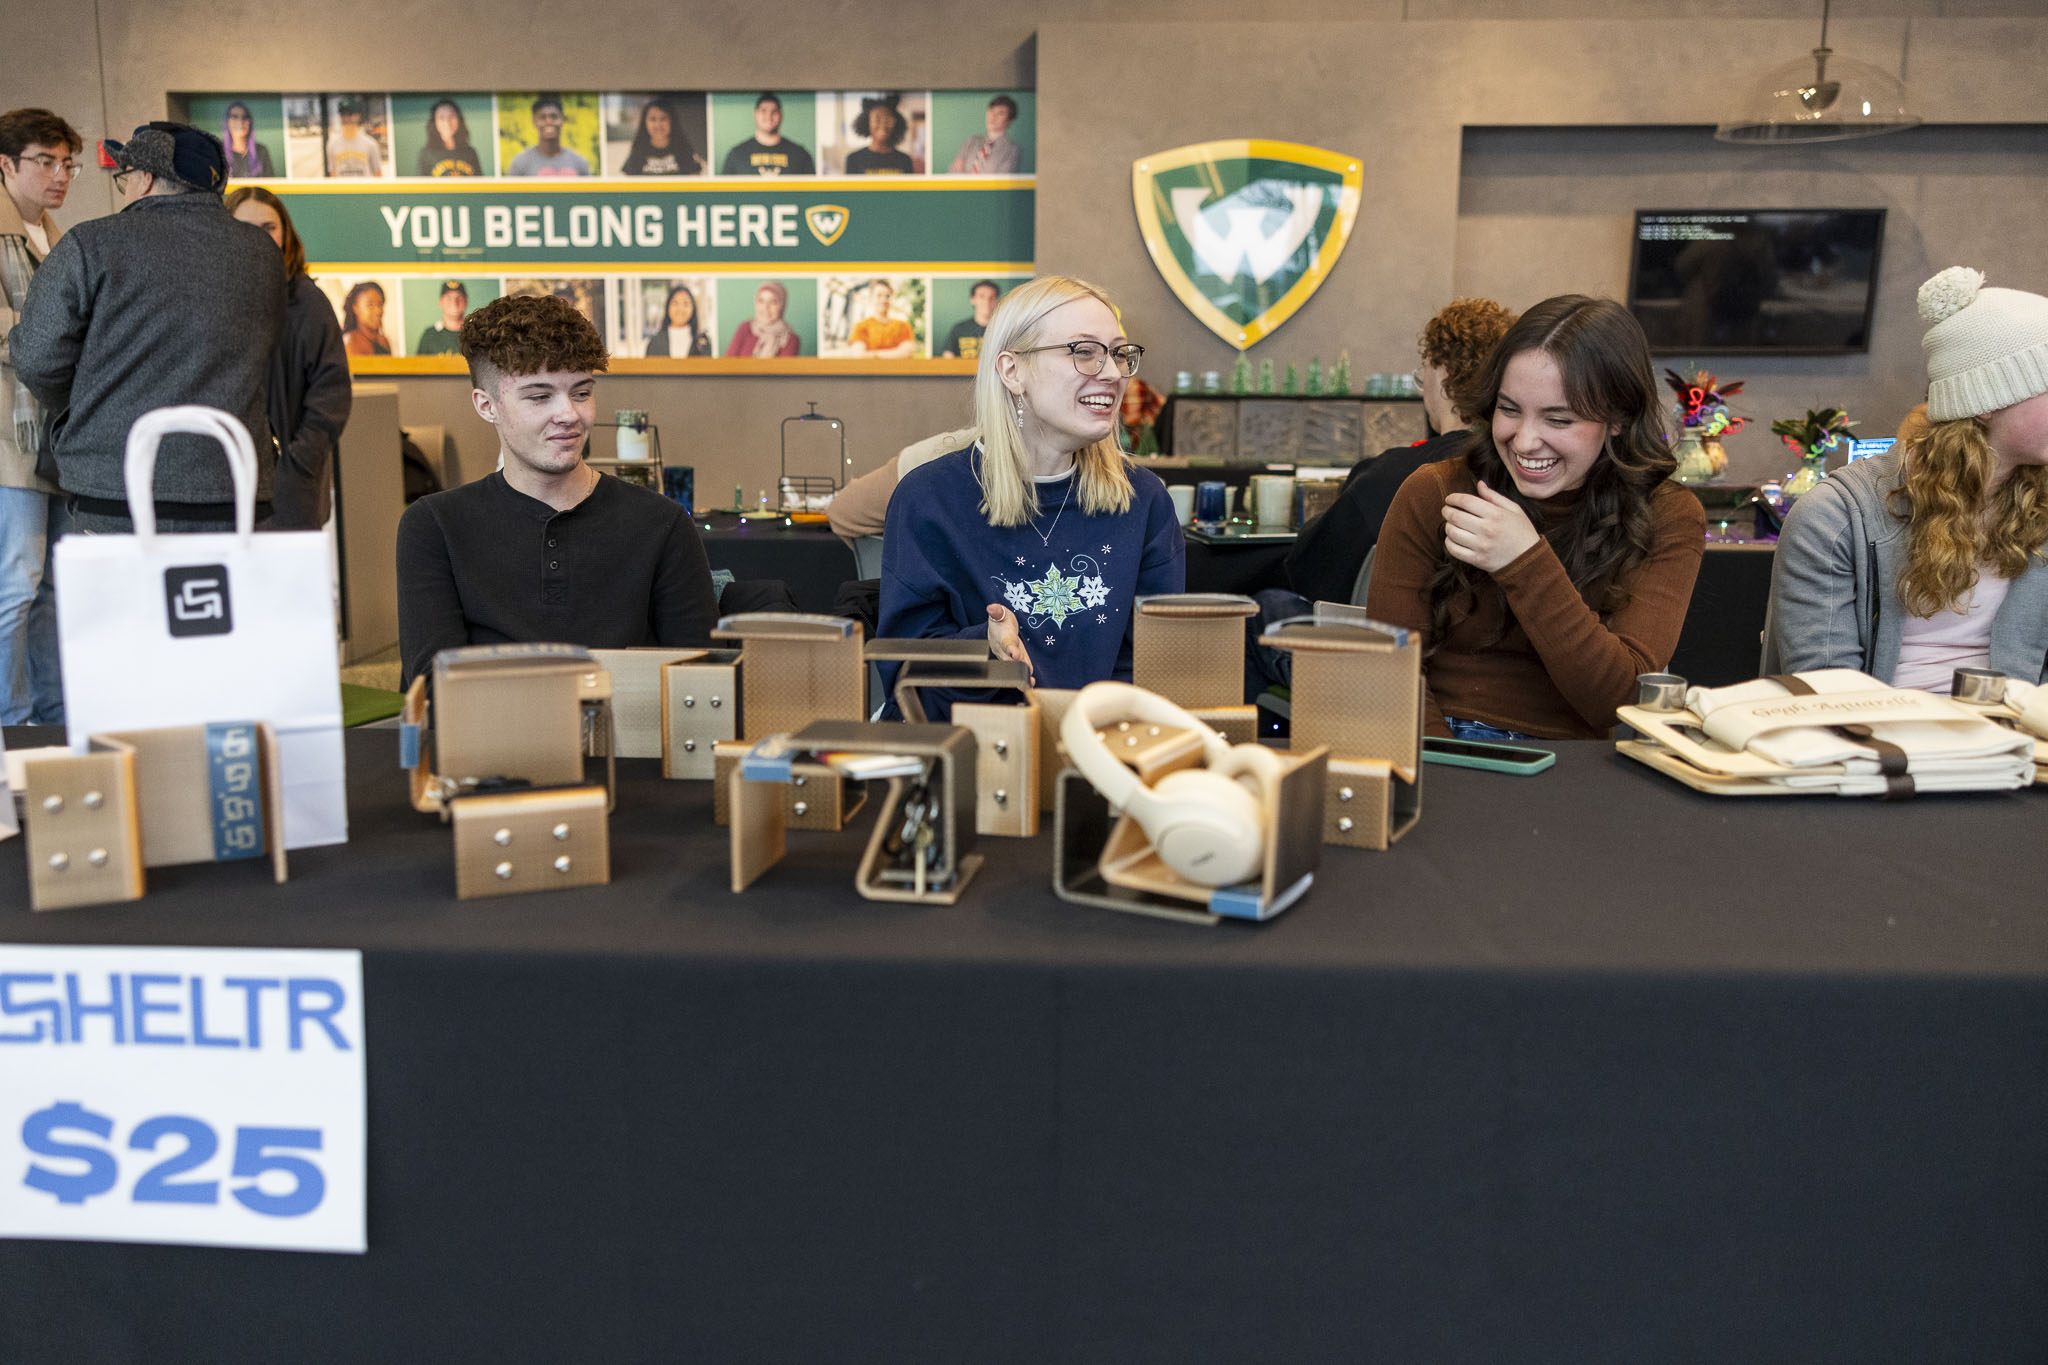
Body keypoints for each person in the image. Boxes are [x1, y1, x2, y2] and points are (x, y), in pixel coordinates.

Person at [1365, 294, 1705, 740]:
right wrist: (1446, 770)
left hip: (1579, 769)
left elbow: (1620, 701)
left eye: (1558, 420)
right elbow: (1390, 675)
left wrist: (1524, 560)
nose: (1524, 442)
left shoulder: (1667, 515)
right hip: (1444, 744)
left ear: (1618, 419)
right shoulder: (1436, 492)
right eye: (1509, 410)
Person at [877, 275, 1183, 713]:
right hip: (969, 754)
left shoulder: (1144, 500)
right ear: (1012, 370)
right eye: (1085, 352)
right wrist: (983, 648)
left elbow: (1155, 668)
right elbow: (903, 674)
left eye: (1118, 353)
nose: (1114, 373)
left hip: (1101, 753)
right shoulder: (929, 500)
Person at [396, 294, 718, 690]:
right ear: (486, 405)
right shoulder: (435, 527)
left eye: (581, 393)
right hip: (487, 749)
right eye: (539, 396)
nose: (569, 414)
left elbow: (699, 684)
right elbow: (433, 689)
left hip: (629, 748)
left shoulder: (661, 524)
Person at [1762, 267, 2048, 690]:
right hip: (1882, 743)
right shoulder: (1836, 517)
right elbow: (1826, 692)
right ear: (1987, 399)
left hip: (2020, 743)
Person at [8, 121, 284, 534]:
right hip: (233, 488)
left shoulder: (91, 244)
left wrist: (90, 402)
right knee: (215, 600)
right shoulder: (261, 253)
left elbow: (34, 356)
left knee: (120, 600)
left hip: (116, 487)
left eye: (126, 178)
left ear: (146, 178)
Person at [1286, 297, 1519, 605]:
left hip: (1381, 642)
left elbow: (1311, 572)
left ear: (1443, 373)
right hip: (1472, 641)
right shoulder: (1520, 471)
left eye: (1424, 373)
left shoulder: (1391, 475)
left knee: (1270, 604)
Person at [0, 107, 80, 723]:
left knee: (56, 588)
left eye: (67, 163)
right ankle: (11, 722)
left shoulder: (57, 236)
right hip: (10, 438)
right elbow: (8, 337)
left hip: (60, 436)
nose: (60, 175)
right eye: (45, 161)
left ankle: (54, 719)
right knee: (17, 587)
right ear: (6, 165)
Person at [227, 186, 352, 531]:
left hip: (289, 491)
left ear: (285, 235)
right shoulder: (213, 300)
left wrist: (297, 466)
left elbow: (332, 393)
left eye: (269, 227)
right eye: (246, 227)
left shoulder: (307, 303)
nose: (259, 237)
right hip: (224, 489)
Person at [720, 93, 814, 176]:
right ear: (755, 114)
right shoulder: (736, 154)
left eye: (774, 111)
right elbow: (726, 194)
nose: (769, 116)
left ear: (781, 115)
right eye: (763, 111)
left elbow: (812, 193)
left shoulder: (800, 155)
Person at [507, 95, 589, 177]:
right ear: (534, 121)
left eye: (554, 117)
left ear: (562, 120)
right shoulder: (520, 164)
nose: (549, 121)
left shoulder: (579, 163)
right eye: (542, 117)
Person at [619, 97, 697, 175]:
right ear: (645, 123)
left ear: (672, 121)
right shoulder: (638, 150)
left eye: (663, 118)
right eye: (653, 119)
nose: (658, 125)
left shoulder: (683, 148)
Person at [725, 280, 800, 358]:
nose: (766, 308)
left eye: (773, 302)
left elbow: (783, 369)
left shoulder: (790, 339)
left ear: (782, 306)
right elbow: (728, 363)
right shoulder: (745, 328)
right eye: (761, 301)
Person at [948, 95, 1021, 175]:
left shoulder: (1011, 150)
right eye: (991, 111)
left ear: (1010, 120)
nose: (993, 116)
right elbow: (954, 170)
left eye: (1000, 113)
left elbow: (1000, 181)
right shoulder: (972, 140)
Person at [844, 97, 912, 175]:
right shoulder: (854, 159)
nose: (883, 125)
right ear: (867, 123)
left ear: (896, 124)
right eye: (877, 119)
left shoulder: (905, 160)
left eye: (888, 120)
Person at [847, 279, 915, 358]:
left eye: (887, 296)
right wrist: (896, 353)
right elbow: (859, 356)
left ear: (892, 298)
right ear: (871, 298)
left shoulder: (903, 326)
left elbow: (906, 353)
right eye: (879, 295)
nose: (883, 300)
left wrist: (873, 355)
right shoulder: (861, 326)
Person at [416, 99, 482, 177]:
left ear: (459, 120)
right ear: (434, 122)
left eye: (451, 116)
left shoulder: (471, 153)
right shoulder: (426, 154)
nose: (447, 122)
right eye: (441, 117)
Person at [643, 283, 711, 357]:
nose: (680, 308)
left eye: (686, 303)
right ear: (668, 307)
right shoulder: (655, 342)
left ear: (693, 308)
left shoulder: (702, 342)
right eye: (675, 303)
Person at [940, 280, 1002, 359]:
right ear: (973, 300)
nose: (987, 301)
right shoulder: (958, 329)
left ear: (998, 300)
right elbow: (947, 359)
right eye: (982, 296)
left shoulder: (1004, 329)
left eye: (992, 297)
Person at [325, 99, 382, 177]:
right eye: (343, 114)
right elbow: (332, 173)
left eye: (350, 114)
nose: (346, 118)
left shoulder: (370, 143)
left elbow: (377, 173)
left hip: (364, 188)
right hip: (342, 188)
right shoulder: (332, 144)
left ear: (357, 116)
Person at [221, 101, 275, 178]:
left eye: (245, 117)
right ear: (227, 122)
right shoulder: (219, 151)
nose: (240, 121)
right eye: (235, 117)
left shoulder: (261, 151)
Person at [414, 280, 468, 355]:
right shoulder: (430, 335)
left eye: (459, 298)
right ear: (440, 302)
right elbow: (418, 365)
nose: (454, 303)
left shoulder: (475, 333)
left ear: (466, 302)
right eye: (448, 298)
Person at [340, 281, 390, 356]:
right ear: (355, 308)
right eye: (370, 305)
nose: (378, 311)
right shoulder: (349, 343)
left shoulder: (384, 341)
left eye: (380, 304)